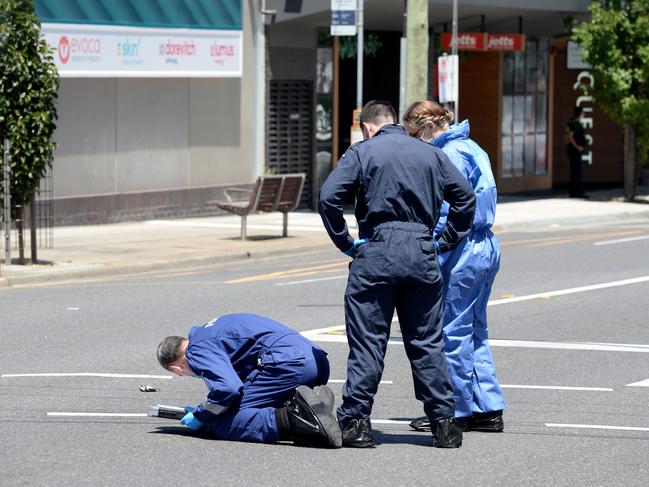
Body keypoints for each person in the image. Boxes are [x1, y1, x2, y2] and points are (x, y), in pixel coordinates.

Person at [318, 100, 476, 448]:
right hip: (421, 251)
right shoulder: (432, 153)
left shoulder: (362, 152)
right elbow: (465, 198)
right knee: (426, 341)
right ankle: (445, 424)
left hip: (377, 251)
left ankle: (357, 422)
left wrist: (345, 242)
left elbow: (328, 198)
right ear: (393, 122)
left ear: (367, 126)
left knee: (368, 341)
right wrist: (446, 239)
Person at [402, 100, 505, 434]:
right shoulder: (471, 146)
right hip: (484, 244)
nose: (414, 143)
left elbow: (448, 211)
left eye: (415, 135)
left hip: (463, 246)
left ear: (429, 127)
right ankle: (486, 407)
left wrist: (430, 246)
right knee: (474, 328)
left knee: (452, 330)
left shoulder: (450, 155)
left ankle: (455, 410)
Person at [156, 313, 342, 448]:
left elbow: (229, 389)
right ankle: (310, 406)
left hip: (288, 364)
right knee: (243, 405)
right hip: (316, 361)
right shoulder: (211, 331)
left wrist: (202, 415)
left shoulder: (196, 350)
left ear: (176, 368)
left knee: (224, 422)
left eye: (183, 374)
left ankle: (297, 419)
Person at [566, 106, 589, 198]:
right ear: (580, 114)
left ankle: (575, 192)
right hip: (574, 151)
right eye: (583, 113)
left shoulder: (573, 123)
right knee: (576, 171)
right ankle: (576, 192)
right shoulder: (575, 124)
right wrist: (577, 146)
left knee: (576, 171)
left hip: (574, 150)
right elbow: (570, 136)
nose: (584, 115)